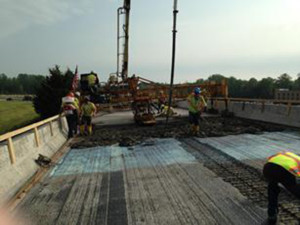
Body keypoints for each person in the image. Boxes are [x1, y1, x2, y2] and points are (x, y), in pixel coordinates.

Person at [263, 151, 300, 224]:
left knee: (272, 188)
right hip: (284, 171)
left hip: (268, 168)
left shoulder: (286, 154)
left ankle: (272, 215)